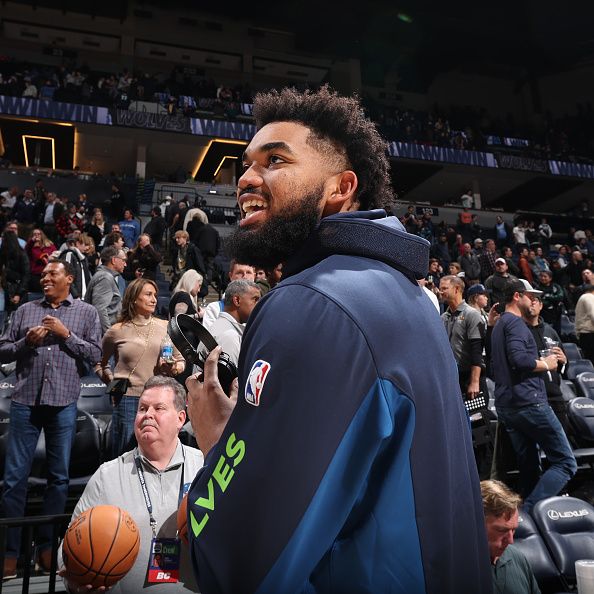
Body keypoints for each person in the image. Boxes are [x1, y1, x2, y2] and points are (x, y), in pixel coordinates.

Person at [185, 86, 491, 593]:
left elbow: (239, 561)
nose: (244, 179)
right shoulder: (405, 293)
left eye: (275, 160)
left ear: (340, 187)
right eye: (245, 164)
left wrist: (220, 441)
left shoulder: (314, 303)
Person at [0, 260, 102, 577]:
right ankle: (10, 554)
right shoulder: (25, 310)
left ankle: (47, 550)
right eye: (43, 274)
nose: (44, 277)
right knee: (14, 480)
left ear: (69, 279)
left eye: (52, 273)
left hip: (63, 403)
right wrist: (24, 343)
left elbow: (96, 354)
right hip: (25, 401)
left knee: (58, 479)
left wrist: (66, 334)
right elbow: (3, 351)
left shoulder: (86, 313)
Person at [59, 376, 202, 593]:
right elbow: (70, 545)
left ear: (181, 418)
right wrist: (74, 579)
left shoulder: (204, 466)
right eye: (142, 408)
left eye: (159, 408)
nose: (148, 415)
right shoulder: (107, 475)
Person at [490, 278, 576, 511]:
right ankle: (527, 513)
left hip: (508, 405)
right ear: (517, 296)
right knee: (566, 462)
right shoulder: (516, 324)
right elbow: (520, 360)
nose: (534, 300)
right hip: (529, 402)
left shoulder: (499, 324)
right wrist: (547, 364)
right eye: (530, 296)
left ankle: (528, 526)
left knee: (529, 466)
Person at [96, 278, 185, 457]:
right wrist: (112, 383)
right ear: (134, 298)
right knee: (125, 454)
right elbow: (100, 364)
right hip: (128, 399)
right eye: (148, 294)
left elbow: (181, 361)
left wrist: (173, 368)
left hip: (159, 398)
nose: (154, 299)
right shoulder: (117, 330)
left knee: (155, 451)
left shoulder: (166, 326)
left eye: (155, 295)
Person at [480, 480, 541, 594]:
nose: (511, 541)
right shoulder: (454, 569)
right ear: (475, 524)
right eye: (502, 530)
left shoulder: (516, 556)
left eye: (513, 530)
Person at [439, 275, 485, 401]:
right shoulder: (443, 317)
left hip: (468, 379)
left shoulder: (472, 314)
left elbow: (477, 351)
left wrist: (474, 382)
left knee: (476, 419)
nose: (440, 292)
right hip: (451, 379)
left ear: (457, 289)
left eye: (444, 288)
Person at [208, 280, 260, 367]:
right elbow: (229, 380)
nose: (258, 305)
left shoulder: (223, 328)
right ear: (237, 300)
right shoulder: (229, 336)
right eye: (255, 299)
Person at [201, 260, 256, 329]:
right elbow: (208, 339)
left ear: (254, 276)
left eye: (248, 272)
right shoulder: (214, 309)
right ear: (230, 276)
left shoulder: (262, 308)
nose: (245, 276)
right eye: (239, 272)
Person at [84, 246, 127, 334]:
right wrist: (109, 334)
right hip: (101, 335)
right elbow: (100, 309)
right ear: (114, 260)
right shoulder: (105, 278)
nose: (125, 264)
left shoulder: (105, 276)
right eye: (123, 260)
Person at [0, 230, 30, 314]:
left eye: (3, 239)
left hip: (17, 288)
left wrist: (18, 294)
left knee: (18, 314)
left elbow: (26, 275)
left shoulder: (21, 254)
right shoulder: (3, 254)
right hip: (6, 289)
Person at [25, 228, 56, 293]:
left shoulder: (50, 245)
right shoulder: (30, 246)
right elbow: (26, 250)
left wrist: (52, 257)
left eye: (39, 234)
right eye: (34, 234)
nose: (37, 235)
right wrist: (32, 241)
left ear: (42, 235)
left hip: (49, 272)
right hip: (36, 274)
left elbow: (56, 254)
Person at [575, 284, 594, 363]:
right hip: (589, 334)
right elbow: (593, 314)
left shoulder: (582, 297)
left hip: (585, 334)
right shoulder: (589, 297)